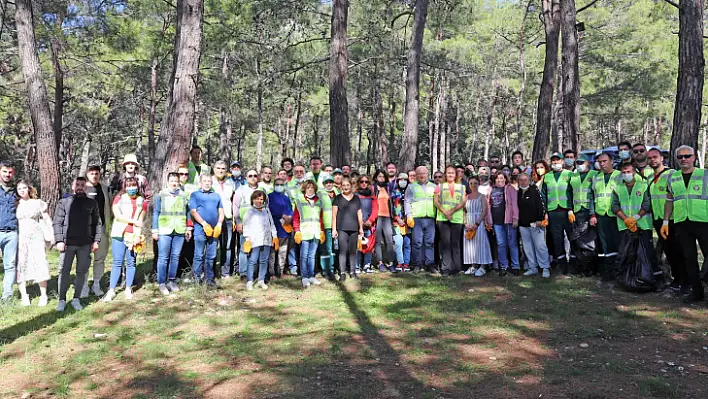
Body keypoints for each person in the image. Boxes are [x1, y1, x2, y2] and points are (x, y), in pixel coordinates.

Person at [662, 145, 707, 302]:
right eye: (680, 157)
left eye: (687, 156)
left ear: (694, 157)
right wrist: (666, 221)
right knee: (689, 258)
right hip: (682, 223)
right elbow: (669, 200)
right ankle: (696, 292)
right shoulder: (673, 177)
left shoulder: (705, 175)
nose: (683, 159)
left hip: (703, 222)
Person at [53, 177, 102, 311]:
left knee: (81, 271)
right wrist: (59, 240)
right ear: (73, 187)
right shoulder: (63, 203)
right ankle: (62, 300)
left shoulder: (92, 204)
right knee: (64, 271)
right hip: (67, 244)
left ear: (85, 187)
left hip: (85, 244)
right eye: (77, 185)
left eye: (82, 185)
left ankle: (76, 299)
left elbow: (97, 223)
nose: (80, 187)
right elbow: (57, 222)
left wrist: (96, 240)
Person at [612, 162, 659, 283]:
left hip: (643, 225)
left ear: (634, 172)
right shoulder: (617, 188)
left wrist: (635, 218)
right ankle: (629, 278)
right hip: (625, 226)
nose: (626, 174)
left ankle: (654, 278)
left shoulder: (643, 186)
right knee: (627, 252)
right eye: (623, 172)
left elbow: (647, 205)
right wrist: (626, 219)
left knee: (647, 252)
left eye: (628, 171)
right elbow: (614, 206)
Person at [103, 177, 147, 302]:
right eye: (129, 186)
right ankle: (111, 290)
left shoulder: (142, 201)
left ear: (137, 187)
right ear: (125, 187)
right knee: (117, 262)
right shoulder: (119, 198)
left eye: (134, 186)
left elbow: (141, 219)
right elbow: (117, 215)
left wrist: (138, 235)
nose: (131, 188)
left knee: (131, 262)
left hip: (133, 235)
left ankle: (128, 288)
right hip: (119, 233)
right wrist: (134, 221)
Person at [648, 148, 684, 291]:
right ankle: (677, 280)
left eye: (655, 157)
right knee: (669, 251)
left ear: (662, 158)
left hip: (672, 220)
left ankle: (684, 281)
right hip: (658, 220)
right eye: (650, 158)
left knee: (678, 251)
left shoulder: (672, 174)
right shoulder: (650, 178)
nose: (652, 160)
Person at [152, 172, 191, 296]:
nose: (174, 183)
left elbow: (188, 213)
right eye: (172, 181)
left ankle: (171, 280)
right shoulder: (162, 195)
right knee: (163, 257)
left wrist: (189, 228)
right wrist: (155, 230)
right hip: (165, 230)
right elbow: (156, 212)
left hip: (179, 229)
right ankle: (162, 283)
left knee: (175, 256)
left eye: (176, 180)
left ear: (179, 182)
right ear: (168, 181)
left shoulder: (184, 195)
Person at [15, 180, 51, 306]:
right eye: (19, 189)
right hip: (21, 238)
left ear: (29, 189)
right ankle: (24, 295)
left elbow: (46, 218)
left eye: (24, 188)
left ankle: (43, 295)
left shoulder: (37, 203)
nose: (22, 190)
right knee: (21, 264)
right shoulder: (16, 204)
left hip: (36, 236)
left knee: (40, 263)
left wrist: (51, 235)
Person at [541, 152, 574, 275]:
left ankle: (574, 264)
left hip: (567, 211)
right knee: (557, 240)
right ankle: (562, 265)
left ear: (562, 162)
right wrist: (545, 213)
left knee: (572, 238)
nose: (555, 163)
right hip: (553, 212)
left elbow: (572, 192)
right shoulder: (547, 176)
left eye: (558, 161)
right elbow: (543, 195)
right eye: (553, 161)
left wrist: (571, 208)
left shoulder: (569, 174)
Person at [190, 174, 224, 288]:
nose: (207, 183)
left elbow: (221, 211)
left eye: (209, 181)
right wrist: (204, 224)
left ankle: (209, 278)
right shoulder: (195, 195)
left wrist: (219, 224)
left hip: (214, 230)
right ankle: (196, 278)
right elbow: (193, 212)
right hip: (200, 229)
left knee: (211, 255)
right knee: (198, 254)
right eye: (204, 181)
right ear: (200, 182)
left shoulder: (216, 196)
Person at [592, 152, 622, 281]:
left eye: (604, 161)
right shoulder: (596, 177)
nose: (602, 164)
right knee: (606, 245)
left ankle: (621, 271)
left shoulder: (619, 176)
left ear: (611, 161)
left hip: (617, 216)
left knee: (619, 243)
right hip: (601, 215)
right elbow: (592, 197)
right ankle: (609, 272)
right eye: (600, 162)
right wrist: (593, 214)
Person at [82, 165, 111, 297]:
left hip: (102, 228)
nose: (94, 175)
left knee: (100, 258)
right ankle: (83, 287)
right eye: (92, 173)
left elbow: (110, 206)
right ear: (87, 174)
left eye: (97, 173)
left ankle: (96, 284)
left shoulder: (104, 189)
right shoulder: (81, 188)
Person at [434, 165, 466, 276]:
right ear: (445, 174)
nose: (450, 175)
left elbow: (463, 202)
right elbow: (436, 201)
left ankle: (456, 268)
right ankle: (446, 268)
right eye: (448, 173)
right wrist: (445, 212)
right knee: (445, 243)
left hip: (456, 218)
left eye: (452, 173)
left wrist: (451, 211)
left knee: (455, 243)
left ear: (455, 174)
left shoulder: (461, 187)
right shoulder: (440, 186)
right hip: (443, 218)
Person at [516, 174, 550, 278]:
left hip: (536, 223)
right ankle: (532, 267)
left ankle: (545, 267)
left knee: (540, 246)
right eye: (521, 180)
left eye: (525, 180)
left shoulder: (534, 191)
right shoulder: (517, 193)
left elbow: (541, 205)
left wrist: (540, 219)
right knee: (527, 247)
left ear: (529, 180)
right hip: (523, 224)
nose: (523, 182)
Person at [242, 190, 277, 290]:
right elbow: (246, 226)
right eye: (257, 199)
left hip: (266, 240)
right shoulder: (249, 212)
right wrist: (247, 239)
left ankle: (261, 280)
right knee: (252, 260)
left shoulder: (267, 210)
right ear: (253, 199)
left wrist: (274, 236)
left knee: (264, 260)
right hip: (254, 240)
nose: (259, 201)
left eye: (261, 199)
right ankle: (249, 281)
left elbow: (272, 224)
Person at [569, 154, 598, 276]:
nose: (579, 165)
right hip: (576, 212)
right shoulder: (573, 176)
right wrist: (570, 209)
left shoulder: (594, 175)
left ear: (588, 163)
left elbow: (594, 195)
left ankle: (590, 268)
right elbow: (569, 193)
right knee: (578, 240)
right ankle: (580, 267)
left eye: (582, 162)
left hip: (589, 212)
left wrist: (593, 214)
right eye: (578, 163)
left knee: (590, 242)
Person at [293, 180, 325, 288]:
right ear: (305, 189)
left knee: (312, 256)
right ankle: (304, 277)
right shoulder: (300, 200)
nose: (310, 189)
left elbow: (320, 218)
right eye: (308, 188)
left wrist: (322, 231)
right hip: (304, 232)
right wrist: (297, 231)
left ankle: (311, 276)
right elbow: (296, 218)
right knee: (304, 255)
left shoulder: (319, 201)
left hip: (315, 232)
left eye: (312, 188)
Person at [405, 166, 437, 273]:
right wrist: (409, 215)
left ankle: (430, 264)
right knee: (417, 243)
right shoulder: (411, 187)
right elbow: (407, 202)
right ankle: (417, 264)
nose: (422, 175)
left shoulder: (434, 186)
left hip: (430, 218)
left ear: (427, 174)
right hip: (417, 218)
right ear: (416, 175)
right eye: (419, 173)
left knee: (430, 243)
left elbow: (437, 202)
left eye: (424, 173)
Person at [487, 172, 520, 276]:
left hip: (508, 221)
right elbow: (488, 206)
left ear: (505, 179)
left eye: (501, 178)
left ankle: (515, 266)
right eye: (497, 178)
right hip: (497, 222)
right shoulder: (491, 190)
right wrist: (488, 220)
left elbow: (514, 204)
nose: (499, 180)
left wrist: (515, 218)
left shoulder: (510, 189)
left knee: (512, 243)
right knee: (501, 244)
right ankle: (503, 266)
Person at [332, 177, 364, 280]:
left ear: (351, 186)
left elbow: (359, 214)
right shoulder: (337, 198)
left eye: (347, 185)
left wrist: (361, 228)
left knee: (352, 251)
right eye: (344, 185)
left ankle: (352, 272)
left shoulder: (356, 198)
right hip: (341, 228)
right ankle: (342, 273)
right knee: (342, 250)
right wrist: (334, 229)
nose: (346, 187)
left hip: (354, 229)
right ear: (341, 187)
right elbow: (334, 216)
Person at [233, 169, 262, 279]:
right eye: (250, 176)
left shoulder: (261, 189)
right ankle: (243, 273)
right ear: (246, 177)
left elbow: (266, 207)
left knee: (257, 248)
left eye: (255, 175)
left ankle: (255, 272)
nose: (253, 177)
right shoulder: (241, 190)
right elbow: (235, 207)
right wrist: (238, 222)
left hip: (258, 225)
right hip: (245, 225)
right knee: (245, 248)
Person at [463, 176, 493, 276]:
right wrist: (465, 223)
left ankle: (483, 266)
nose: (473, 185)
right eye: (471, 183)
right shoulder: (466, 197)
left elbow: (484, 210)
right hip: (468, 222)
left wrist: (477, 223)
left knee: (481, 244)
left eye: (475, 183)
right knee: (470, 245)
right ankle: (473, 266)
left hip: (478, 223)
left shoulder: (482, 196)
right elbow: (464, 211)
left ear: (478, 184)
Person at [212, 161, 236, 278]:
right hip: (213, 219)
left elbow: (233, 200)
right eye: (218, 168)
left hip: (228, 218)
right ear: (214, 169)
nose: (220, 170)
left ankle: (225, 272)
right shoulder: (209, 181)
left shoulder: (230, 182)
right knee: (213, 245)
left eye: (223, 168)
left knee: (227, 246)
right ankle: (211, 272)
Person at [268, 177, 296, 278]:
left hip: (285, 228)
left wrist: (289, 216)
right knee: (272, 251)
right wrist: (282, 215)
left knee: (283, 251)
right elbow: (270, 209)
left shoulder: (286, 197)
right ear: (274, 186)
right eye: (277, 184)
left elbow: (290, 209)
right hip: (274, 227)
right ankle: (271, 273)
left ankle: (280, 270)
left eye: (281, 184)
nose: (279, 186)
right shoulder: (269, 197)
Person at [0, 162, 18, 302]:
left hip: (12, 232)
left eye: (10, 172)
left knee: (10, 265)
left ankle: (6, 296)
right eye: (5, 171)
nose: (7, 175)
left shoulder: (16, 190)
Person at [373, 170, 396, 272]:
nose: (381, 178)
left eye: (383, 177)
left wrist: (394, 216)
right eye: (379, 176)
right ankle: (380, 263)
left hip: (387, 217)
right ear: (376, 178)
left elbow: (392, 203)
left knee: (389, 240)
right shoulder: (373, 188)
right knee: (378, 241)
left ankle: (391, 263)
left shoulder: (388, 188)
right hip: (377, 217)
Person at [356, 175, 379, 273]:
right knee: (358, 246)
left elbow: (375, 209)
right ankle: (357, 266)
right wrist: (360, 222)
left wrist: (370, 220)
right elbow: (353, 209)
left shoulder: (372, 196)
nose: (364, 183)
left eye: (366, 182)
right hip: (357, 225)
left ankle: (367, 265)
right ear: (359, 183)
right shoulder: (355, 195)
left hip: (369, 225)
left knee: (369, 245)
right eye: (362, 181)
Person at [318, 175, 337, 280]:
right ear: (324, 184)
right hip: (325, 225)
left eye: (330, 182)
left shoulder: (337, 193)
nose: (329, 184)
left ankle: (332, 269)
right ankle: (326, 270)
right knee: (325, 249)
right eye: (326, 183)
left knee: (333, 249)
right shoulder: (320, 194)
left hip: (336, 226)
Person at [392, 173, 411, 272]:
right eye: (401, 179)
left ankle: (407, 263)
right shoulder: (393, 192)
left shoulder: (410, 192)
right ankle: (400, 262)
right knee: (398, 243)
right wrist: (397, 218)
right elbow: (390, 207)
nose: (403, 181)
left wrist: (408, 218)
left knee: (407, 243)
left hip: (408, 222)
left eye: (405, 179)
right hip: (396, 222)